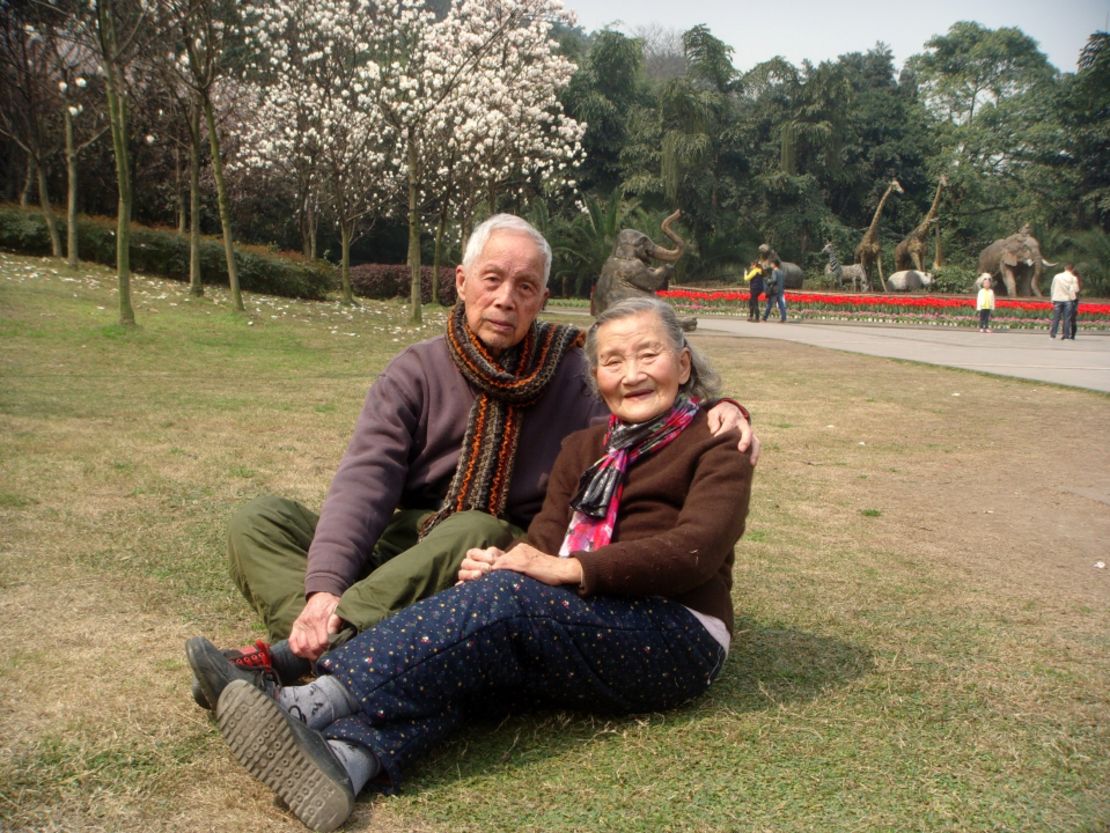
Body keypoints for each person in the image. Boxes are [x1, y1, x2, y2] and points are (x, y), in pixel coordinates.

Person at [187, 296, 754, 832]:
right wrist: (505, 564)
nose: (631, 373)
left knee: (506, 606)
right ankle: (344, 762)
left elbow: (695, 550)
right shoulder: (583, 449)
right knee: (470, 657)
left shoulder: (716, 439)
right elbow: (545, 542)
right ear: (596, 377)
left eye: (648, 354)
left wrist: (572, 571)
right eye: (612, 360)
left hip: (675, 635)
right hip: (585, 621)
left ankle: (297, 699)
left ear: (682, 364)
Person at [194, 215, 758, 705]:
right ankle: (318, 640)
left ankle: (295, 659)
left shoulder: (574, 368)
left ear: (541, 298)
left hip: (496, 553)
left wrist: (723, 406)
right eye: (492, 279)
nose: (506, 298)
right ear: (462, 283)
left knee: (473, 523)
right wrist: (322, 588)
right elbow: (364, 484)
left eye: (525, 286)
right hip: (410, 541)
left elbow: (639, 404)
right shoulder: (414, 371)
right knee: (260, 519)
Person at [1049, 264, 1079, 339]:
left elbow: (1052, 288)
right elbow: (1076, 289)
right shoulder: (1073, 278)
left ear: (1064, 268)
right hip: (1068, 300)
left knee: (1056, 318)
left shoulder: (1057, 276)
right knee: (1067, 319)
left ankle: (1053, 334)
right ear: (1072, 269)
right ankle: (1066, 335)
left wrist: (1052, 298)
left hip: (1057, 299)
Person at [762, 257, 787, 322]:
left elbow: (774, 280)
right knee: (781, 305)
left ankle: (764, 317)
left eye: (771, 264)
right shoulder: (781, 272)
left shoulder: (774, 271)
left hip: (774, 290)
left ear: (774, 264)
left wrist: (767, 280)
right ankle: (783, 318)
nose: (770, 265)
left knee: (769, 304)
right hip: (780, 290)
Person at [1067, 269, 1082, 340]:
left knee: (1068, 318)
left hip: (1070, 300)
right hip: (1075, 300)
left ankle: (1067, 334)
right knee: (1073, 319)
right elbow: (1078, 291)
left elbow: (1075, 290)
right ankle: (1073, 335)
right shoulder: (1078, 280)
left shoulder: (1073, 280)